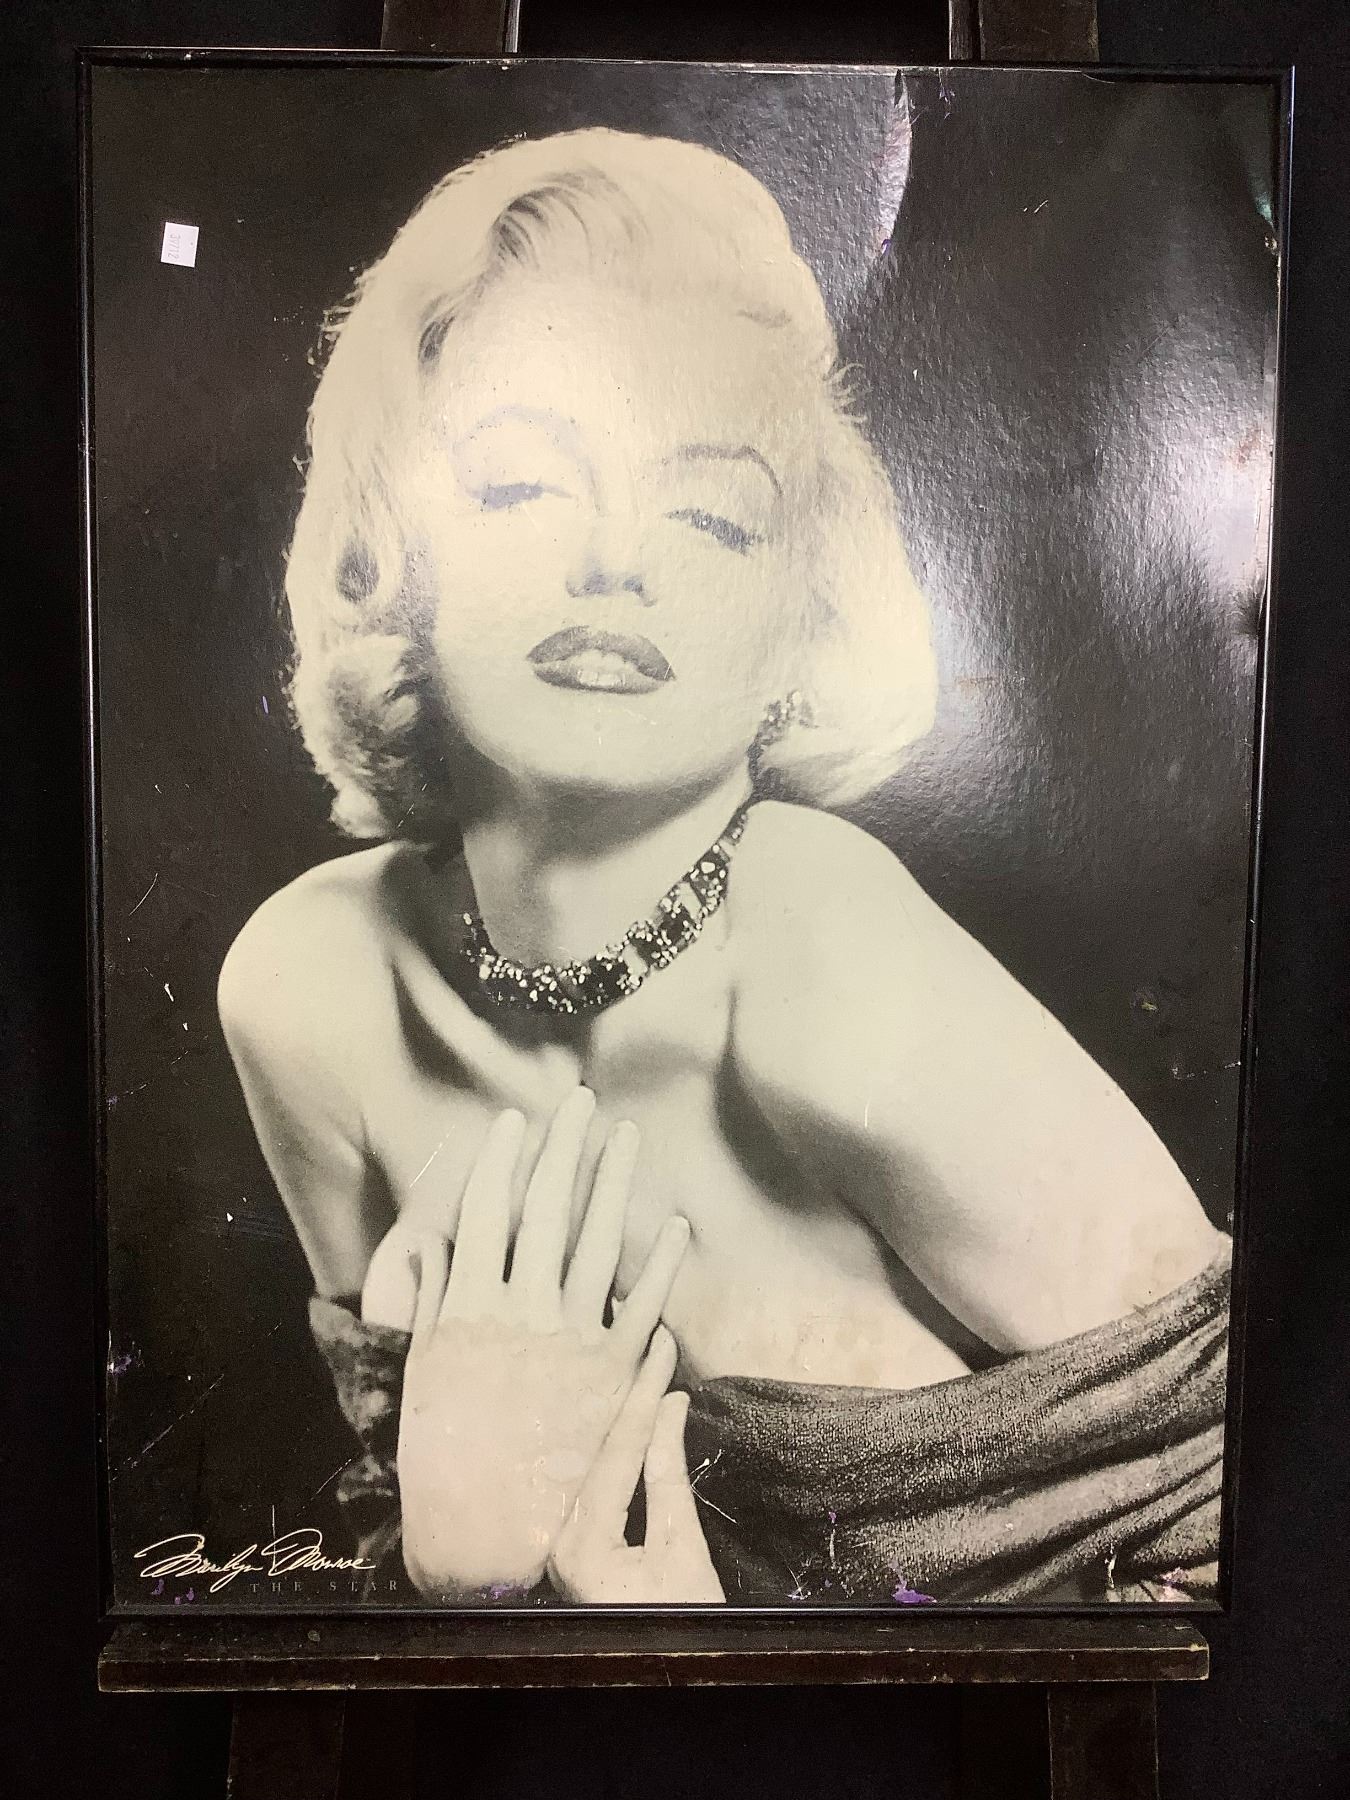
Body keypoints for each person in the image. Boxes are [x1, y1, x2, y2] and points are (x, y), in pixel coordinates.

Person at [218, 126, 1231, 1607]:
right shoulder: (312, 995)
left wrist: (695, 1650)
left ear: (795, 627)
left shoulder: (832, 975)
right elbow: (398, 1538)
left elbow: (1275, 1559)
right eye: (519, 485)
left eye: (710, 513)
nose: (616, 559)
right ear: (393, 561)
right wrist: (466, 1576)